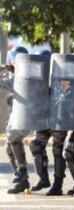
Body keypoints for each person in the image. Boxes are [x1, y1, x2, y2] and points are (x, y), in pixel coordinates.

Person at [1, 46, 31, 194]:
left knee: (13, 138)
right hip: (18, 113)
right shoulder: (14, 73)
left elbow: (8, 83)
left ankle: (22, 175)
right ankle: (22, 179)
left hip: (29, 114)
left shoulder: (26, 73)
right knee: (9, 145)